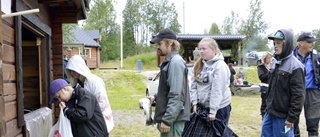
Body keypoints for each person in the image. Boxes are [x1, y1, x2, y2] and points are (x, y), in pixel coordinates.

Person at [261, 29, 305, 137]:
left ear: (287, 44)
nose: (276, 46)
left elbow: (298, 96)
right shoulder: (274, 63)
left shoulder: (296, 66)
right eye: (275, 43)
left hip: (284, 117)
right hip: (270, 113)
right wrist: (265, 108)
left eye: (279, 43)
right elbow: (271, 89)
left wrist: (291, 118)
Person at [185, 37, 232, 136]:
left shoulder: (220, 66)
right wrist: (194, 103)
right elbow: (193, 87)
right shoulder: (198, 65)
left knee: (217, 134)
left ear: (213, 50)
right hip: (202, 108)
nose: (201, 51)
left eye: (204, 48)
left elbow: (217, 90)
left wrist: (213, 111)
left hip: (219, 108)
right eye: (199, 49)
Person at [148, 28, 190, 137]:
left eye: (160, 43)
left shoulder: (175, 62)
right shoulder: (170, 61)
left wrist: (167, 120)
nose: (157, 47)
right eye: (156, 44)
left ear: (170, 42)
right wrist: (156, 97)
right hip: (172, 119)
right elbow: (169, 88)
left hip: (173, 121)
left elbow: (177, 95)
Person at [65, 55, 114, 133]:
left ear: (79, 68)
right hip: (89, 122)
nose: (71, 73)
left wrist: (92, 117)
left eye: (73, 70)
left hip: (100, 120)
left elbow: (102, 102)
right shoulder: (78, 83)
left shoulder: (94, 81)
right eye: (70, 70)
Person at [293, 32, 320, 137]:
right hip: (294, 92)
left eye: (312, 42)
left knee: (313, 122)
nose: (312, 44)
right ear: (300, 44)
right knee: (292, 121)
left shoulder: (317, 56)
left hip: (313, 92)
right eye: (309, 42)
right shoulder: (290, 55)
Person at [257, 51, 272, 120]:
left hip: (272, 86)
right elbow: (261, 77)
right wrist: (269, 73)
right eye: (268, 58)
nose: (269, 59)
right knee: (264, 103)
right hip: (264, 87)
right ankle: (263, 116)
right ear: (264, 59)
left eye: (270, 58)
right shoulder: (261, 67)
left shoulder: (273, 66)